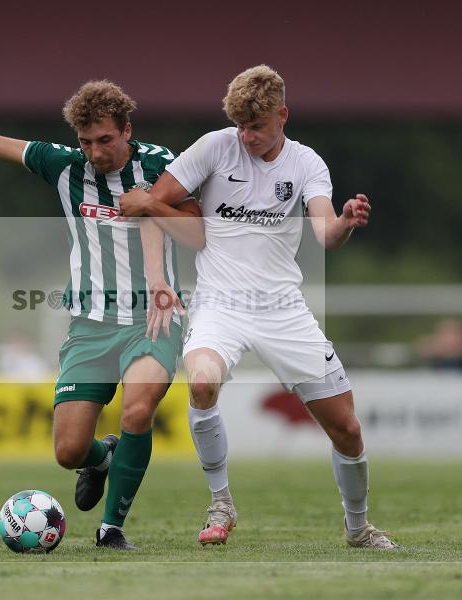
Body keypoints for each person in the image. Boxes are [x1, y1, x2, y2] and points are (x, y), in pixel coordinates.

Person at [0, 74, 201, 549]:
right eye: (86, 142)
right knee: (69, 451)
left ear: (127, 130)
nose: (95, 152)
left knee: (137, 410)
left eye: (105, 140)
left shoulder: (161, 165)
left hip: (152, 317)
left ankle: (111, 530)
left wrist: (152, 204)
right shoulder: (64, 166)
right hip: (90, 324)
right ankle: (102, 459)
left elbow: (196, 231)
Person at [120, 65, 398, 549]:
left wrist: (348, 221)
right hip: (219, 304)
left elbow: (325, 234)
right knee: (202, 382)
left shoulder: (307, 164)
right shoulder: (213, 147)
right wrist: (158, 275)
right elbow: (149, 203)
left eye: (257, 127)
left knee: (347, 429)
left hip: (283, 309)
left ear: (282, 115)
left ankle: (358, 529)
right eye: (240, 126)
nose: (245, 137)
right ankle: (221, 503)